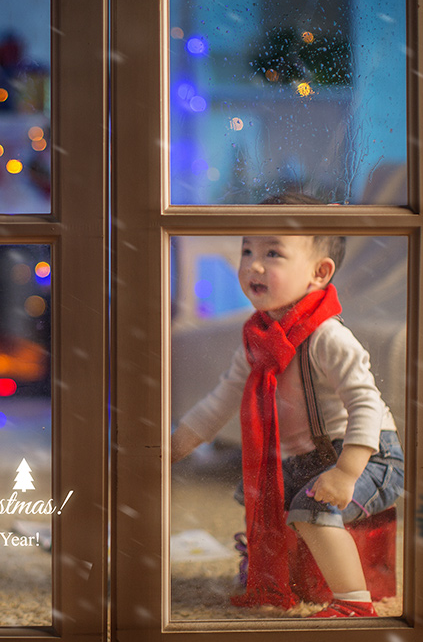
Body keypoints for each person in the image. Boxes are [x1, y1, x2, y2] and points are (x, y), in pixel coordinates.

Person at [170, 193, 404, 618]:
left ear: (319, 273)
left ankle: (354, 602)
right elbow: (220, 401)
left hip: (366, 453)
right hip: (303, 458)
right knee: (257, 495)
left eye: (272, 253)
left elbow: (367, 404)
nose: (253, 265)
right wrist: (174, 445)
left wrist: (347, 472)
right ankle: (274, 569)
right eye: (247, 250)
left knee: (313, 511)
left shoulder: (327, 337)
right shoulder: (257, 339)